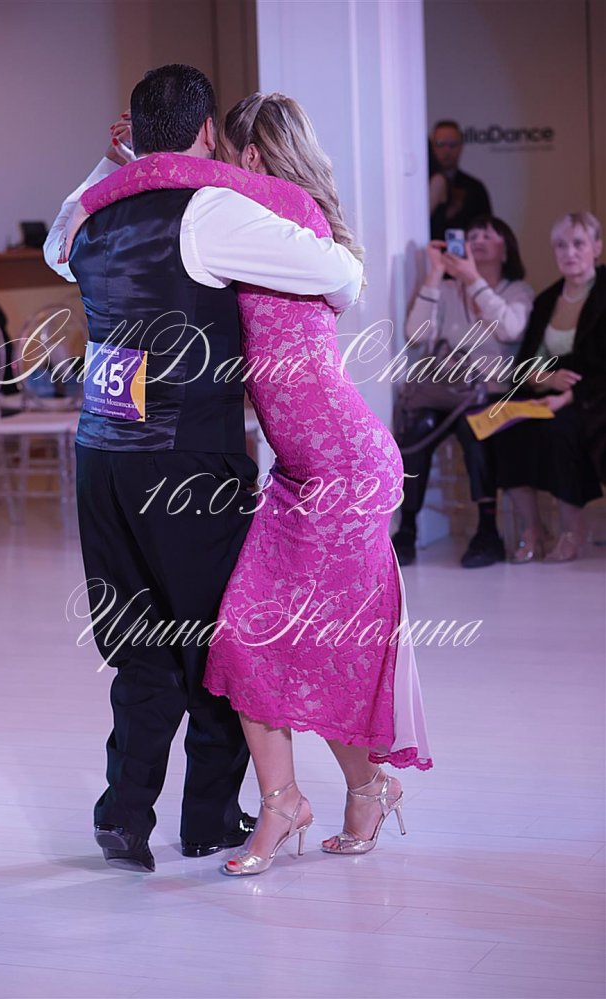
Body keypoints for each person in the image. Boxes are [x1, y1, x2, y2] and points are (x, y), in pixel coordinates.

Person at [70, 92, 433, 877]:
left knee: (290, 642)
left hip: (343, 465)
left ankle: (332, 793)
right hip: (295, 472)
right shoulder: (224, 214)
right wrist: (127, 167)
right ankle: (309, 795)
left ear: (254, 157)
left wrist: (142, 169)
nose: (218, 165)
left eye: (230, 155)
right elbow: (76, 240)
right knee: (252, 640)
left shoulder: (275, 213)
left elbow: (345, 278)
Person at [392, 216, 535, 568]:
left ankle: (487, 531)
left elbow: (511, 329)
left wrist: (473, 280)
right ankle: (406, 530)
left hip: (491, 393)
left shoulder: (518, 291)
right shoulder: (446, 290)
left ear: (506, 249)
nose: (479, 240)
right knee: (415, 428)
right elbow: (415, 333)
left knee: (476, 428)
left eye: (488, 234)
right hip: (443, 391)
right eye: (472, 235)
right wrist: (435, 273)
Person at [495, 212, 605, 563]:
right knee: (504, 430)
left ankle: (573, 530)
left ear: (597, 247)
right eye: (560, 245)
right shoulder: (546, 300)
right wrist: (545, 380)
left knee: (559, 431)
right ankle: (534, 530)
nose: (569, 252)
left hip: (593, 397)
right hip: (544, 394)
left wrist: (568, 396)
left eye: (578, 244)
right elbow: (523, 366)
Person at [430, 120, 492, 240]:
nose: (447, 150)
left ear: (461, 147)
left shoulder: (475, 188)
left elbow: (486, 232)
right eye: (440, 144)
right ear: (432, 147)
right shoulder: (420, 187)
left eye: (452, 144)